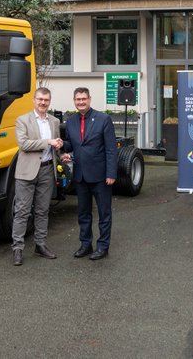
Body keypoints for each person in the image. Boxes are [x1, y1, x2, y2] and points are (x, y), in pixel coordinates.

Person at [63, 87, 118, 260]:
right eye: (78, 99)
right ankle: (85, 245)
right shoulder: (70, 121)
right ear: (74, 101)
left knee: (104, 213)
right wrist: (61, 146)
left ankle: (103, 246)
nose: (81, 102)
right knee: (83, 213)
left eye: (83, 99)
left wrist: (111, 173)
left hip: (101, 176)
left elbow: (111, 149)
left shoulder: (103, 119)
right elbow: (72, 145)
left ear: (89, 99)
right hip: (80, 176)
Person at [12, 87, 63, 266]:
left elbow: (55, 146)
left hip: (47, 170)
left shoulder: (54, 122)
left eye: (46, 100)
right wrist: (48, 141)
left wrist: (59, 149)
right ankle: (17, 248)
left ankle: (40, 245)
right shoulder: (22, 120)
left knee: (42, 210)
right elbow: (24, 144)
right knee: (22, 211)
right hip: (26, 172)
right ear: (34, 100)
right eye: (40, 99)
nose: (43, 103)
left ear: (49, 101)